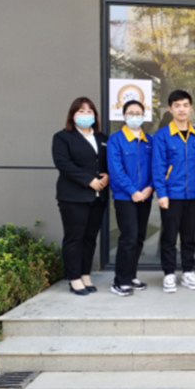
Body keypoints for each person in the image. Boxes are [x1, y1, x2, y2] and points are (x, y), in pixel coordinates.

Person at [152, 90, 195, 294]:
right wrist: (161, 193)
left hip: (194, 194)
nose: (182, 109)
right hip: (171, 195)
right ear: (170, 109)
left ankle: (187, 272)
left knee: (189, 236)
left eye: (185, 105)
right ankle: (169, 273)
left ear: (191, 108)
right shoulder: (162, 135)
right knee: (169, 236)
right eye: (177, 105)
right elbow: (158, 166)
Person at [51, 97, 109, 296]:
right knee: (74, 237)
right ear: (73, 115)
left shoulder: (102, 138)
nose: (86, 115)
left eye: (89, 111)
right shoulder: (62, 137)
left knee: (90, 238)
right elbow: (63, 163)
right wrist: (88, 180)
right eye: (81, 111)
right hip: (73, 197)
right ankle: (74, 278)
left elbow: (109, 162)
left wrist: (108, 176)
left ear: (95, 115)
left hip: (98, 197)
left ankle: (85, 274)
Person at [107, 100, 154, 297]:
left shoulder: (149, 140)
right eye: (131, 113)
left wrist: (150, 187)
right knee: (129, 237)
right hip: (125, 197)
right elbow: (116, 169)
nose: (135, 116)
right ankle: (120, 281)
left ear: (144, 115)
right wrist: (133, 191)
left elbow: (156, 166)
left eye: (138, 113)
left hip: (145, 196)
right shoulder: (116, 139)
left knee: (140, 237)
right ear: (124, 116)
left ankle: (131, 274)